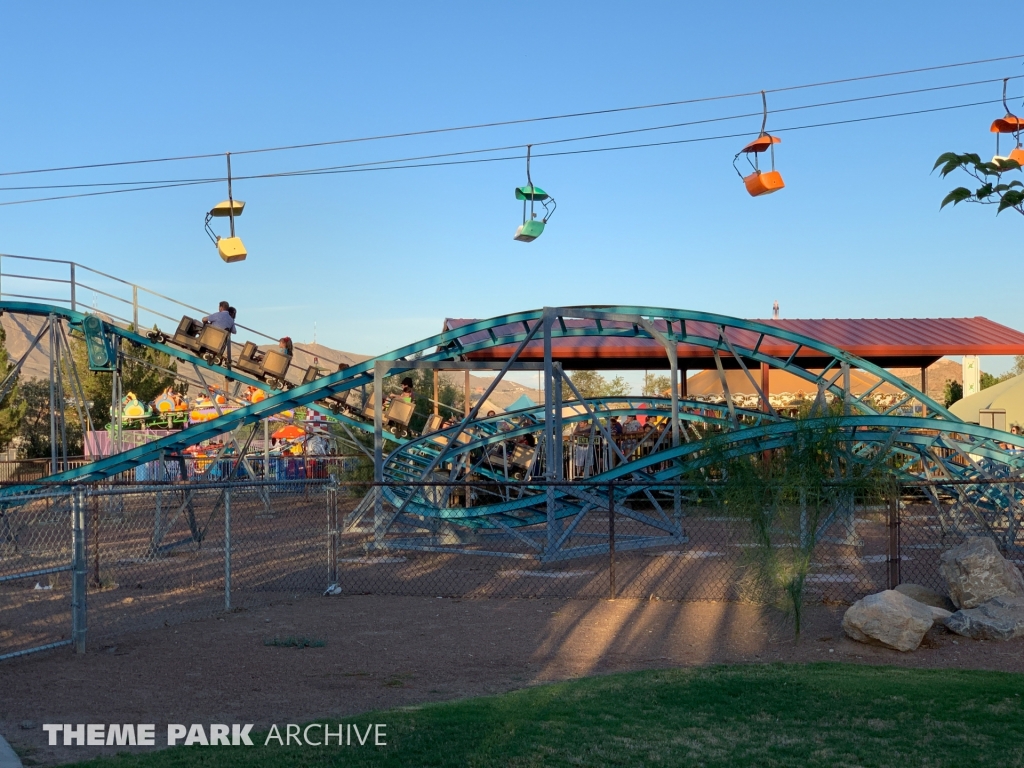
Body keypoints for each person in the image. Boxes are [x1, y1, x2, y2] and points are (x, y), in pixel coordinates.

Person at [203, 301, 237, 367]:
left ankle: (204, 351)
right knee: (226, 337)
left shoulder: (217, 315)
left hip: (209, 340)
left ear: (221, 308)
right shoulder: (231, 320)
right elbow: (234, 331)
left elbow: (204, 319)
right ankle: (217, 356)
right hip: (220, 344)